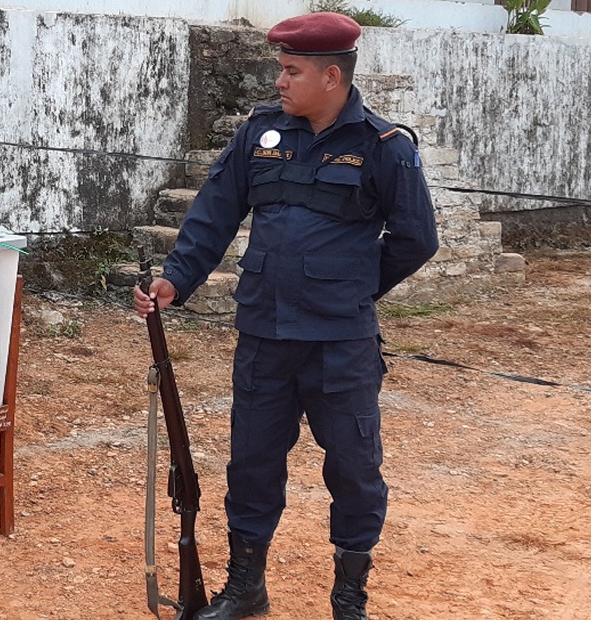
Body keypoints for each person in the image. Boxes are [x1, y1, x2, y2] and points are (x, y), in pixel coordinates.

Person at [133, 12, 439, 620]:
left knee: (354, 468)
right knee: (251, 462)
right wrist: (176, 279)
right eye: (280, 69)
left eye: (291, 71)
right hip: (265, 335)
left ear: (332, 76)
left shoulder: (384, 148)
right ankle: (246, 586)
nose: (280, 81)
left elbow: (415, 239)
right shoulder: (259, 136)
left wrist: (350, 288)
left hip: (339, 343)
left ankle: (349, 594)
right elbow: (213, 214)